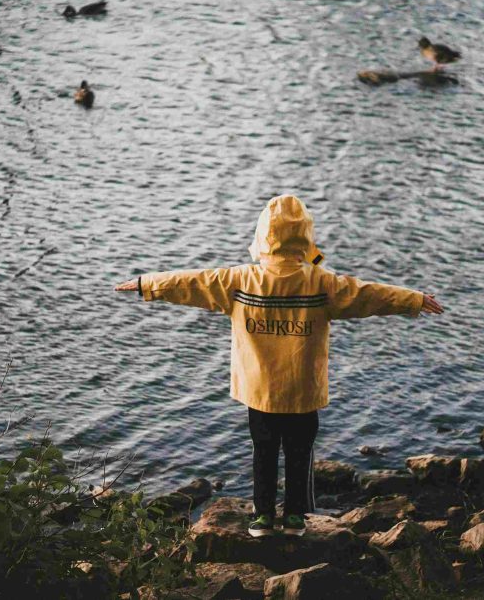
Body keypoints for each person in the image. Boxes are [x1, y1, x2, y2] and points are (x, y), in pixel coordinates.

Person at [114, 195, 444, 537]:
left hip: (261, 392)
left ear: (262, 235)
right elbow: (368, 294)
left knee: (264, 452)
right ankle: (295, 517)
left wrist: (145, 283)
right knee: (300, 454)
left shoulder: (239, 281)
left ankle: (263, 517)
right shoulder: (322, 282)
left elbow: (190, 282)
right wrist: (413, 299)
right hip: (303, 390)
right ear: (305, 236)